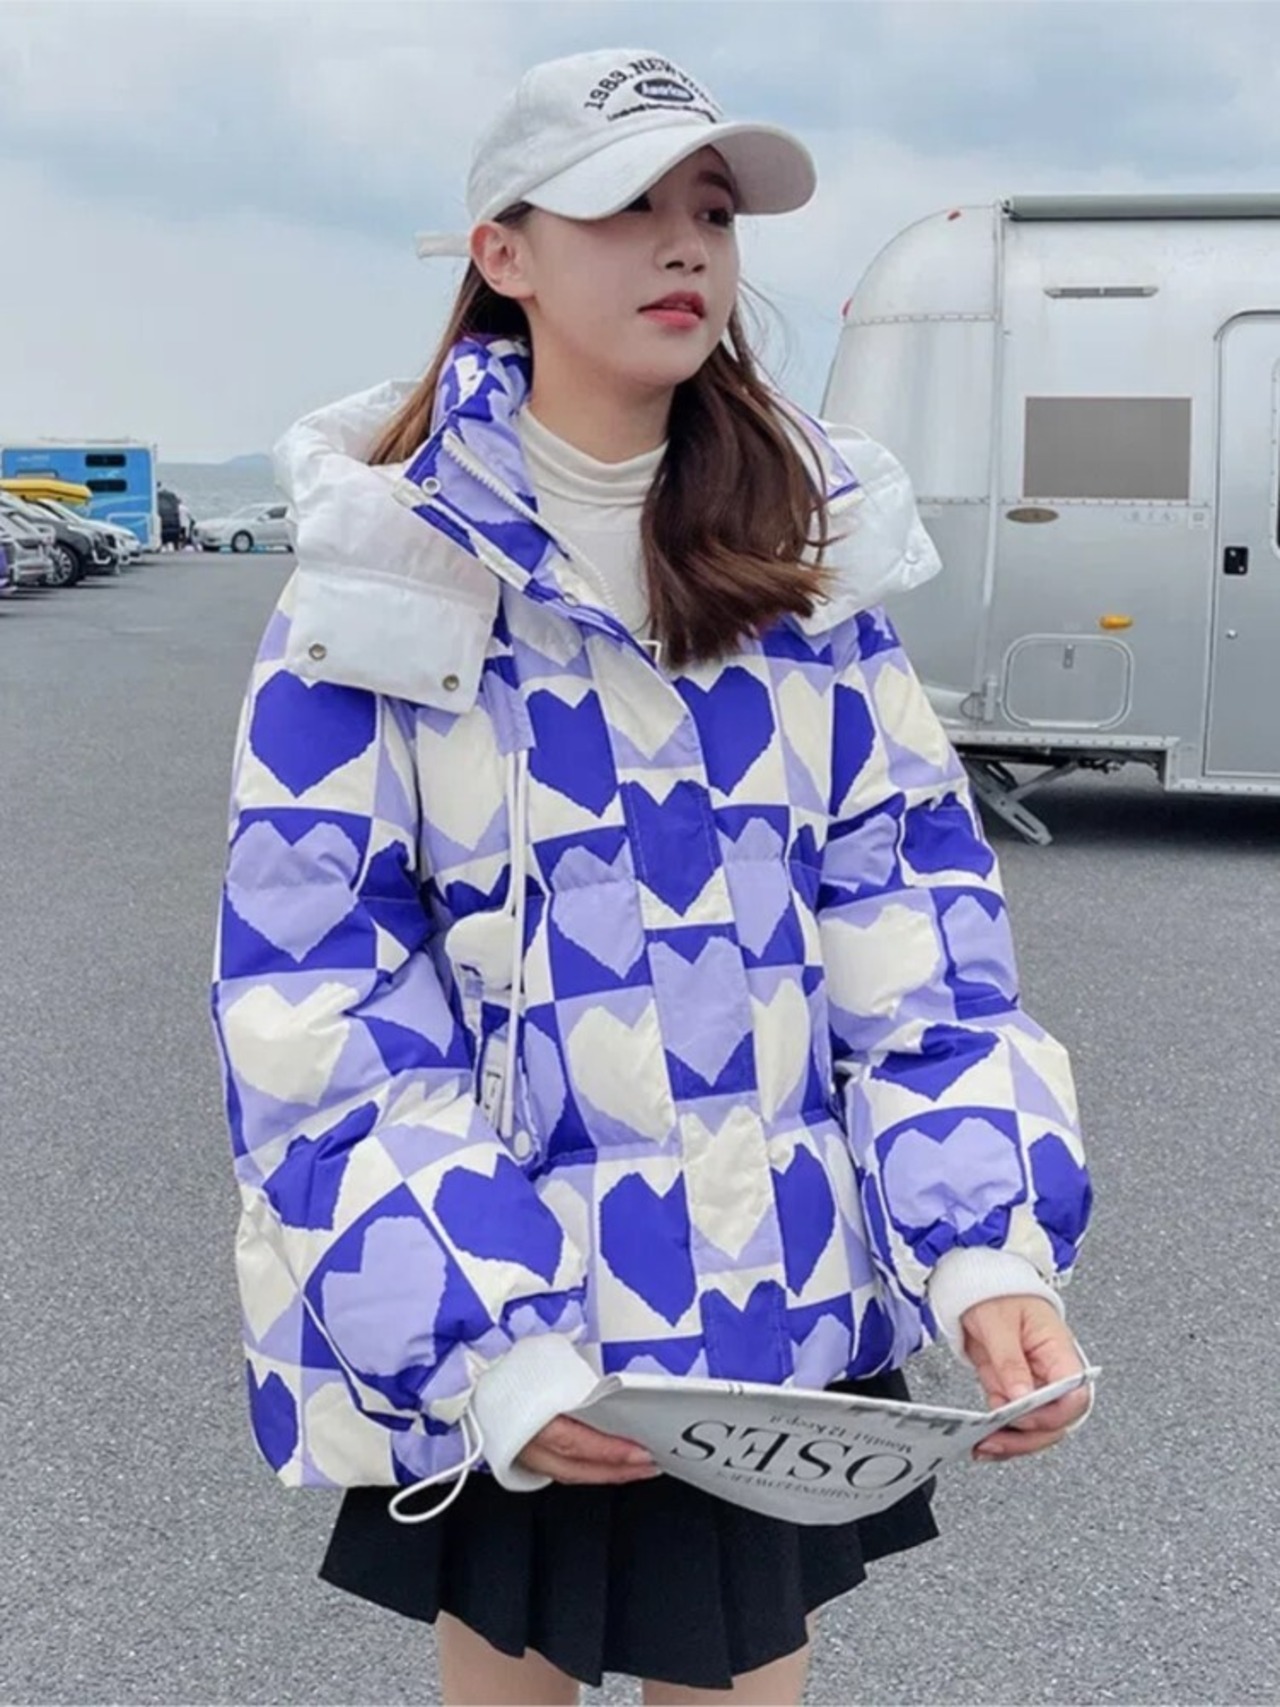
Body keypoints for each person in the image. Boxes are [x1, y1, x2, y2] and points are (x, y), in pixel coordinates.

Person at [210, 46, 1093, 1707]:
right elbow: (319, 998)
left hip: (765, 1335)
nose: (687, 244)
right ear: (505, 253)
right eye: (625, 207)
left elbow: (917, 936)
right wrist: (489, 1339)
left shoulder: (810, 566)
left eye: (714, 212)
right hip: (523, 1329)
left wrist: (983, 1251)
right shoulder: (384, 577)